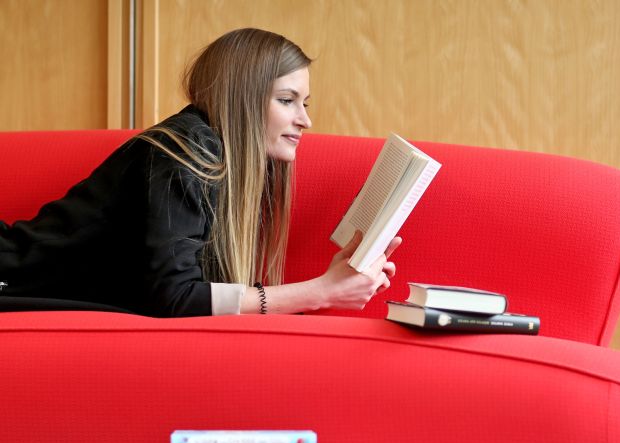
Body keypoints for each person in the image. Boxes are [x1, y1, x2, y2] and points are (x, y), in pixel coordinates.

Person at [0, 28, 400, 317]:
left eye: (305, 103)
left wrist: (327, 285)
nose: (304, 120)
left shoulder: (218, 157)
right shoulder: (186, 152)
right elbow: (176, 298)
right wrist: (320, 292)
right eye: (287, 100)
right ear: (241, 98)